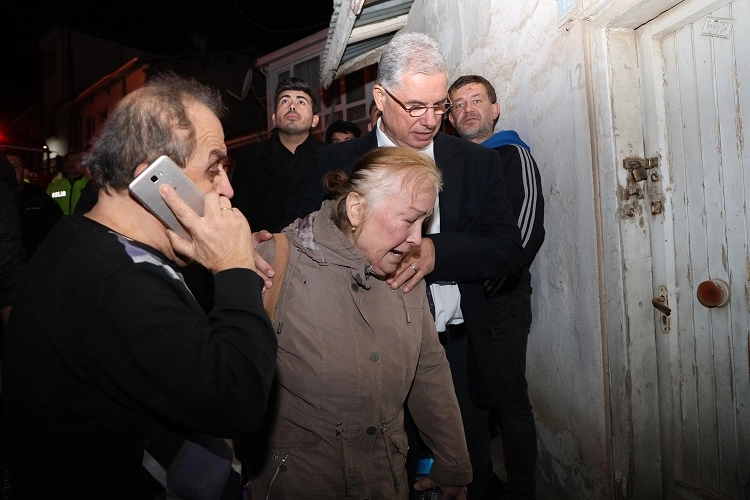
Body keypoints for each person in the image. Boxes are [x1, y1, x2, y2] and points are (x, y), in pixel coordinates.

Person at [1, 74, 278, 498]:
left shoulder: (83, 241)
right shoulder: (120, 281)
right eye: (213, 167)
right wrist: (233, 268)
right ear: (156, 181)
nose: (227, 187)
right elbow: (237, 400)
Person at [291, 32, 524, 499]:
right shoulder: (332, 163)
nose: (431, 120)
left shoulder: (477, 163)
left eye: (440, 106)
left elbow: (507, 251)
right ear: (380, 96)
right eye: (416, 106)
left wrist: (438, 252)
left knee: (464, 475)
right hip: (364, 357)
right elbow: (304, 247)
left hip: (457, 355)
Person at [247, 146, 471, 500]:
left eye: (423, 223)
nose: (417, 238)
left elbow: (429, 368)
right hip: (298, 481)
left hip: (386, 479)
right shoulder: (278, 261)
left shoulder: (407, 273)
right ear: (356, 209)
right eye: (408, 219)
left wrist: (454, 462)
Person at [448, 75, 545, 499]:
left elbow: (525, 232)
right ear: (450, 117)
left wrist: (486, 286)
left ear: (494, 109)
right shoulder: (450, 163)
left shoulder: (512, 154)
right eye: (457, 104)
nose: (467, 109)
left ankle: (522, 490)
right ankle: (480, 481)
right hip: (457, 303)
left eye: (476, 100)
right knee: (465, 397)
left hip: (499, 300)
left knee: (509, 400)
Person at [230, 76, 326, 233]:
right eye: (285, 101)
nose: (292, 106)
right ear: (274, 118)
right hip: (262, 250)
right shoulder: (249, 158)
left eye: (301, 102)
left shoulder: (328, 157)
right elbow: (239, 214)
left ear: (315, 120)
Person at [4, 151, 63, 256]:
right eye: (4, 166)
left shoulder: (40, 199)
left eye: (14, 166)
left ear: (25, 172)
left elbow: (57, 232)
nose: (8, 170)